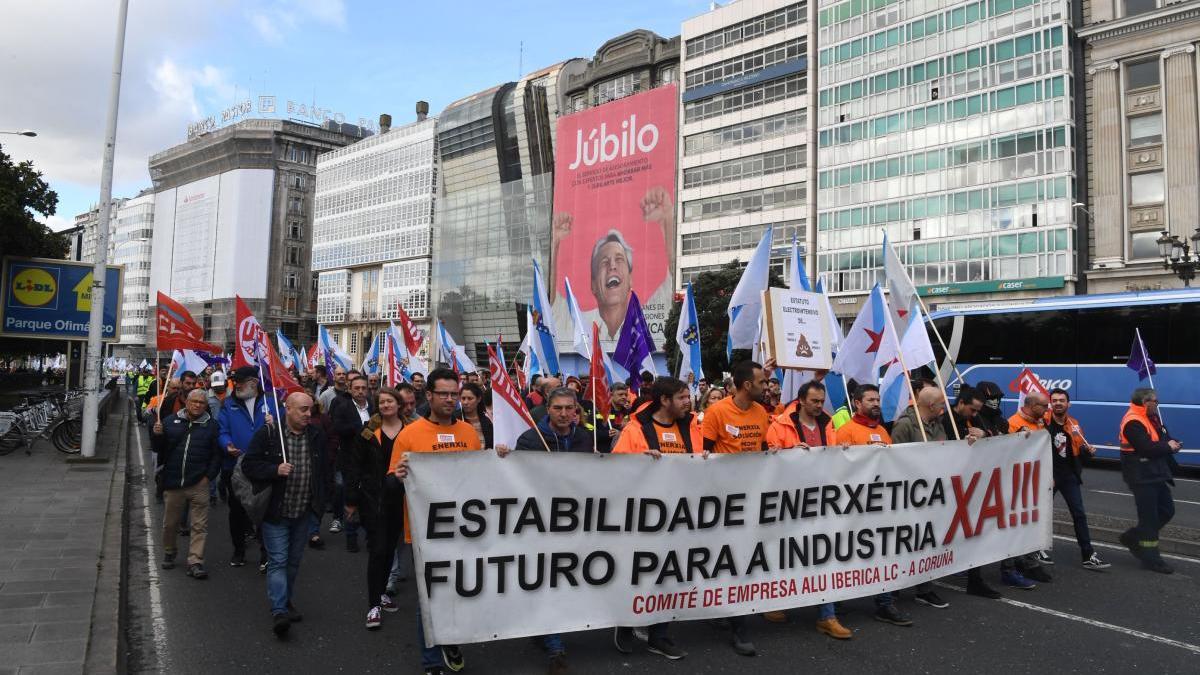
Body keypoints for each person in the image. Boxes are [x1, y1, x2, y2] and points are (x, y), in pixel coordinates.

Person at [389, 369, 482, 675]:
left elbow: (481, 477)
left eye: (455, 394)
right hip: (425, 533)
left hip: (464, 530)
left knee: (460, 593)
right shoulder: (410, 434)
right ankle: (431, 661)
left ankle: (451, 639)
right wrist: (398, 476)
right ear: (428, 396)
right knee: (429, 599)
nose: (450, 399)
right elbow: (391, 480)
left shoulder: (468, 433)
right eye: (444, 393)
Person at [609, 376, 696, 660]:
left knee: (669, 575)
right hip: (642, 519)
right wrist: (639, 463)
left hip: (679, 516)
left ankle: (660, 635)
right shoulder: (635, 430)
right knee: (637, 575)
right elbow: (616, 469)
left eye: (688, 396)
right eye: (682, 397)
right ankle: (626, 622)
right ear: (665, 400)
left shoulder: (691, 425)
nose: (689, 402)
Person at [761, 381, 853, 639]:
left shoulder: (828, 423)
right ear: (801, 400)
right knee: (786, 551)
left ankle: (827, 615)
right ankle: (775, 601)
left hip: (821, 499)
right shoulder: (780, 425)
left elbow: (833, 456)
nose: (819, 405)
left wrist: (842, 453)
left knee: (823, 553)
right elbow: (769, 459)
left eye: (821, 401)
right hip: (788, 499)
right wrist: (789, 453)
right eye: (814, 401)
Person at [700, 359, 773, 656]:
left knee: (743, 559)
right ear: (747, 385)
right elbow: (703, 455)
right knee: (728, 561)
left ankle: (731, 613)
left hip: (752, 498)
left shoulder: (761, 412)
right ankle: (737, 624)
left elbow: (764, 450)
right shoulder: (716, 412)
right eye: (762, 382)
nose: (766, 387)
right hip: (723, 500)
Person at [826, 384, 915, 627]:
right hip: (853, 506)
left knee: (882, 554)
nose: (876, 403)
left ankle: (884, 603)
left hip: (880, 505)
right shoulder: (846, 431)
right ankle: (837, 600)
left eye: (877, 399)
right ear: (857, 403)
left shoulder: (884, 433)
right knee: (844, 554)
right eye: (870, 400)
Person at [243, 392, 328, 638]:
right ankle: (279, 610)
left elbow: (323, 468)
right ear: (288, 409)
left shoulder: (316, 435)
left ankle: (286, 600)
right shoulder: (270, 434)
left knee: (293, 561)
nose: (307, 414)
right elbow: (249, 465)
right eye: (302, 409)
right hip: (276, 511)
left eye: (310, 409)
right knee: (278, 560)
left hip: (303, 511)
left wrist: (322, 502)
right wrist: (274, 469)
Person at [550, 186, 675, 340]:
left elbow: (674, 277)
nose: (612, 266)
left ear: (630, 280)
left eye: (619, 259)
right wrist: (554, 242)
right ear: (593, 284)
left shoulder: (647, 318)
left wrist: (667, 219)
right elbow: (551, 302)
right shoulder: (578, 325)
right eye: (604, 261)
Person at [344, 387, 407, 629]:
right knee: (378, 550)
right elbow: (354, 467)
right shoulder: (368, 432)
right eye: (382, 402)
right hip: (373, 500)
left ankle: (381, 592)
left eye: (390, 401)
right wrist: (351, 500)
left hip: (400, 500)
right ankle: (373, 604)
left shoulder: (410, 430)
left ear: (399, 404)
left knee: (390, 548)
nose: (386, 406)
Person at [151, 389, 223, 579]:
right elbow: (158, 449)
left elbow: (217, 455)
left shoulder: (212, 426)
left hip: (199, 483)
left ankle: (195, 561)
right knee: (170, 523)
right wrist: (157, 434)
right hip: (174, 483)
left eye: (202, 402)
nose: (198, 405)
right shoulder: (169, 422)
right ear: (187, 402)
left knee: (199, 525)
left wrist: (208, 476)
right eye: (194, 401)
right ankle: (169, 550)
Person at [217, 366, 278, 570]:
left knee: (264, 510)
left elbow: (287, 425)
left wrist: (277, 421)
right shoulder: (228, 404)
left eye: (240, 381)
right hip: (236, 467)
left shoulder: (271, 402)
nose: (236, 385)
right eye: (235, 382)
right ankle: (239, 550)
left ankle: (265, 553)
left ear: (254, 382)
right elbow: (222, 430)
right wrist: (226, 444)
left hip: (263, 465)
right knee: (237, 511)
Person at [945, 386, 1003, 599]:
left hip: (969, 485)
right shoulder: (945, 419)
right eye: (973, 410)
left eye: (978, 411)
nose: (976, 414)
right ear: (961, 404)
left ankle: (975, 579)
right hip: (948, 485)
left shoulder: (975, 420)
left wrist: (985, 433)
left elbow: (996, 433)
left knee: (975, 531)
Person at [1118, 387, 1181, 574]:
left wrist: (1172, 444)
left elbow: (1163, 440)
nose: (1158, 404)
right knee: (1149, 519)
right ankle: (1151, 559)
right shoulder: (1133, 421)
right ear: (1146, 402)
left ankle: (1132, 537)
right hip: (1141, 477)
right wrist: (1167, 447)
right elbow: (1146, 448)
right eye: (1156, 401)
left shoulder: (1152, 418)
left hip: (1156, 474)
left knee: (1167, 511)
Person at [1045, 388, 1109, 571]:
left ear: (1068, 404)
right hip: (1048, 476)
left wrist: (1088, 452)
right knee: (1040, 515)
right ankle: (1034, 551)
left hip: (1069, 475)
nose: (1058, 403)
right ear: (1050, 404)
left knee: (1079, 514)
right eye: (1055, 400)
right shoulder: (1044, 423)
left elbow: (1078, 450)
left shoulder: (1074, 424)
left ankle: (1088, 555)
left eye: (1062, 400)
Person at [1005, 391, 1053, 586]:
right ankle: (1013, 564)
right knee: (1016, 523)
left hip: (1036, 480)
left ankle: (1029, 561)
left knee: (1033, 522)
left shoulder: (1041, 423)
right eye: (1043, 406)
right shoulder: (1013, 423)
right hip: (1019, 482)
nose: (1047, 409)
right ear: (1032, 405)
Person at [331, 375, 375, 553]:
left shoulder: (374, 406)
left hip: (371, 460)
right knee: (351, 497)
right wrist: (360, 427)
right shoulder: (343, 407)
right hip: (350, 459)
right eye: (356, 388)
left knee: (369, 498)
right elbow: (337, 428)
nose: (360, 391)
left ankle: (370, 534)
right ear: (350, 389)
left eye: (363, 388)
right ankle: (351, 535)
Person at [516, 387, 596, 452]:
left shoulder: (584, 437)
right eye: (557, 408)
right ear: (548, 409)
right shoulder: (528, 440)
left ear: (575, 409)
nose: (563, 414)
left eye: (569, 408)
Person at [457, 382, 492, 448]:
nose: (465, 402)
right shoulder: (454, 419)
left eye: (470, 398)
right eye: (463, 398)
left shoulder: (487, 420)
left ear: (478, 399)